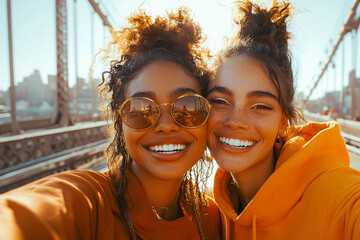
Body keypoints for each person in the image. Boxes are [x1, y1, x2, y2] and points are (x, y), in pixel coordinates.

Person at [206, 1, 360, 239]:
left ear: (284, 121)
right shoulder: (211, 210)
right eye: (220, 101)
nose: (235, 121)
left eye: (261, 106)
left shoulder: (333, 195)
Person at [0, 7, 220, 240]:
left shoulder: (216, 218)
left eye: (187, 107)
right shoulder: (87, 202)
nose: (166, 125)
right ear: (120, 123)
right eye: (141, 110)